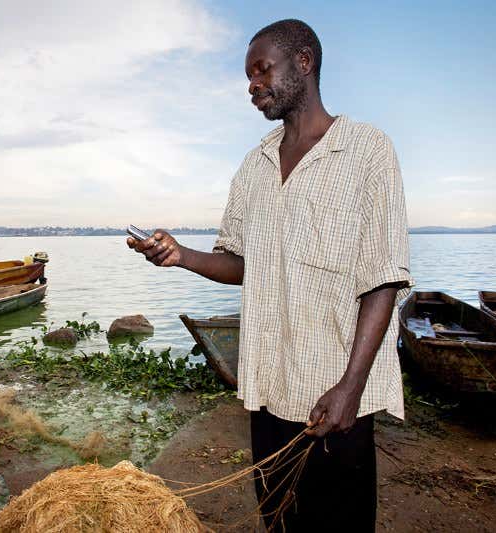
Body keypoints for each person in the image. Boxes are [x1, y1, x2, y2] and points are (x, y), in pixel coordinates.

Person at [127, 19, 412, 532]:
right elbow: (240, 263)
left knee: (340, 522)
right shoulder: (254, 165)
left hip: (335, 394)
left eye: (262, 70)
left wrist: (350, 386)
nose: (253, 85)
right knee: (278, 518)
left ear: (304, 62)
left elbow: (383, 279)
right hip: (269, 388)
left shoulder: (368, 151)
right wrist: (181, 255)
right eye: (248, 77)